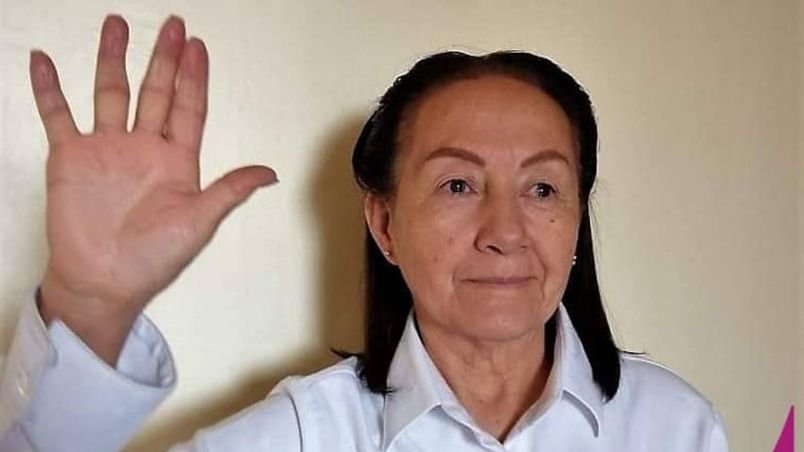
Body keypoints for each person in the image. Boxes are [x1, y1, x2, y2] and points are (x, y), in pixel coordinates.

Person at [0, 14, 729, 452]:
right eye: (457, 185)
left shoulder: (675, 425)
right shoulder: (305, 434)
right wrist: (90, 307)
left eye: (542, 189)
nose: (505, 232)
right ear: (384, 224)